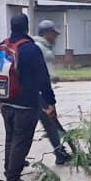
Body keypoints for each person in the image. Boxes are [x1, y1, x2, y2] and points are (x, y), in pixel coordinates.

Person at [0, 14, 57, 181]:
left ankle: (10, 173)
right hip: (25, 103)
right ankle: (13, 180)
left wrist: (0, 99)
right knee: (21, 140)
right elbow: (43, 78)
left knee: (11, 138)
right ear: (26, 27)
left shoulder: (2, 46)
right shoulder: (30, 49)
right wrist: (50, 101)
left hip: (5, 101)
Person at [32, 19, 72, 165]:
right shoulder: (38, 46)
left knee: (49, 123)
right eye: (53, 34)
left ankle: (60, 152)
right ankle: (60, 153)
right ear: (47, 33)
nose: (55, 37)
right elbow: (39, 71)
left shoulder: (43, 46)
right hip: (37, 92)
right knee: (48, 122)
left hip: (39, 91)